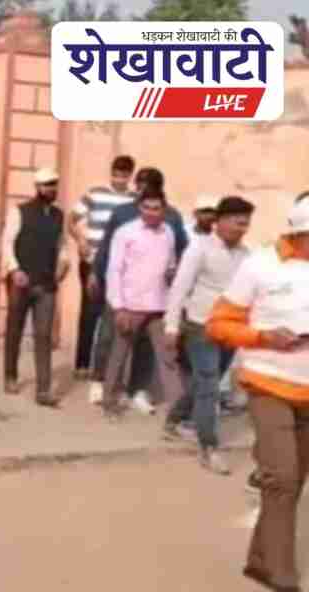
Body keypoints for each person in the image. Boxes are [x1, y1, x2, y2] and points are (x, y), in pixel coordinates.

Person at [206, 196, 309, 592]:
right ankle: (285, 580)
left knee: (293, 482)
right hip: (268, 386)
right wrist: (265, 338)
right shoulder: (261, 265)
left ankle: (259, 560)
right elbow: (218, 323)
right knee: (282, 477)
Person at [162, 196, 253, 474]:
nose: (242, 229)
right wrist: (171, 326)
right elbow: (179, 288)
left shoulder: (246, 256)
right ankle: (208, 447)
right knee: (210, 384)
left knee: (204, 382)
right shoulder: (198, 249)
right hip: (200, 326)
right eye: (238, 223)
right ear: (221, 221)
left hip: (230, 330)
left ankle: (174, 421)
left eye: (246, 224)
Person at [91, 166, 190, 412]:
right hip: (130, 306)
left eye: (156, 208)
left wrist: (173, 274)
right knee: (118, 354)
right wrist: (119, 306)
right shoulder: (126, 232)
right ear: (139, 207)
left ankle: (178, 412)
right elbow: (114, 270)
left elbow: (173, 262)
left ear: (163, 210)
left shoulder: (168, 230)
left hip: (158, 306)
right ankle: (109, 401)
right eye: (146, 207)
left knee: (168, 356)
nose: (150, 213)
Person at [0, 167, 72, 407]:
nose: (51, 189)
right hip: (21, 281)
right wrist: (14, 269)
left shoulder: (58, 216)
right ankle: (10, 375)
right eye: (47, 185)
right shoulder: (18, 212)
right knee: (15, 329)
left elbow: (61, 244)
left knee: (43, 335)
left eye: (54, 185)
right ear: (37, 187)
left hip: (47, 284)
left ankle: (43, 390)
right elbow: (7, 243)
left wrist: (64, 262)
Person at [70, 154, 135, 381]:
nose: (119, 179)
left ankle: (105, 366)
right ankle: (82, 363)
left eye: (123, 176)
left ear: (130, 176)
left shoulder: (134, 200)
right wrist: (80, 240)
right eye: (116, 175)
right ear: (112, 173)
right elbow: (72, 218)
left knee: (114, 313)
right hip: (92, 261)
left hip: (120, 265)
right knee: (90, 312)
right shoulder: (95, 192)